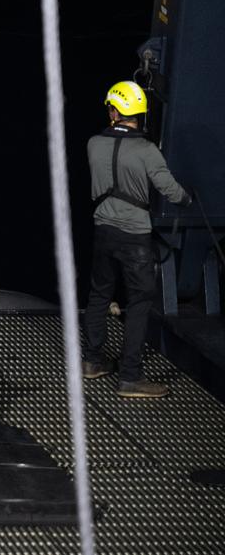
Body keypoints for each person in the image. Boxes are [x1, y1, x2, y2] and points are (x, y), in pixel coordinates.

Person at [83, 80, 192, 398]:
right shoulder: (147, 151)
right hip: (134, 237)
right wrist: (189, 198)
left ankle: (92, 361)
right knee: (140, 301)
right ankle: (130, 377)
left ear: (114, 111)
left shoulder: (93, 144)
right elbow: (171, 191)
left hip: (103, 230)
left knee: (99, 294)